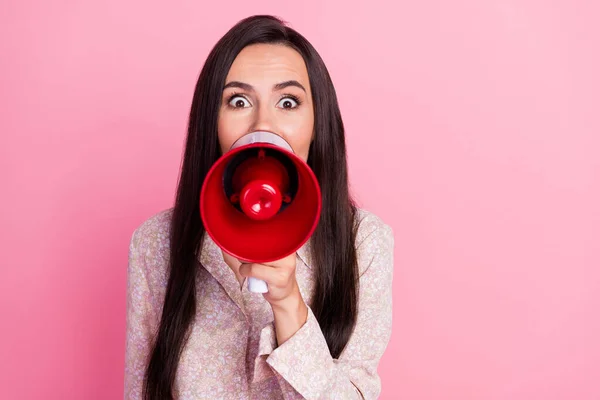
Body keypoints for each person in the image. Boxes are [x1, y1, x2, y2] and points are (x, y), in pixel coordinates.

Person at [124, 14, 394, 400]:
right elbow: (142, 391)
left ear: (318, 120)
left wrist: (288, 305)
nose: (262, 123)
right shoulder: (156, 244)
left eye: (288, 102)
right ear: (210, 122)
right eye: (238, 101)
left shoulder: (363, 242)